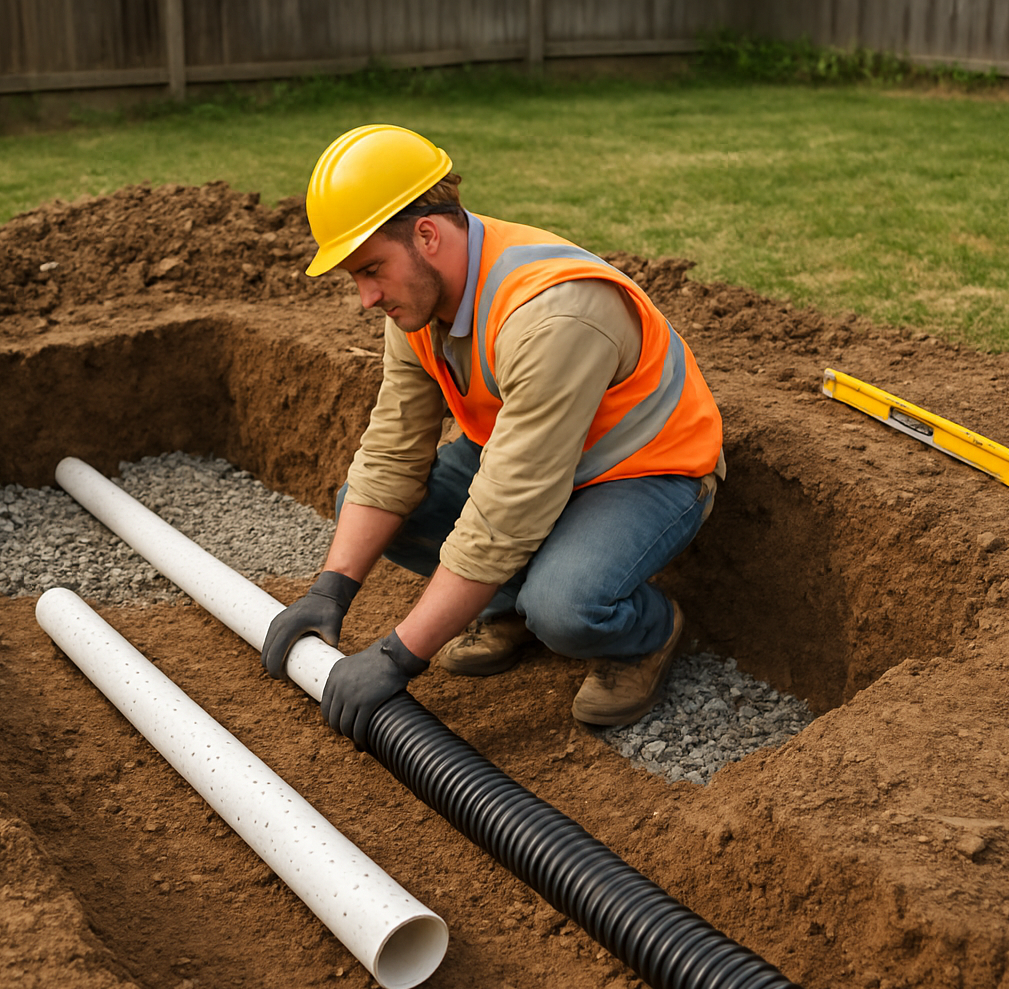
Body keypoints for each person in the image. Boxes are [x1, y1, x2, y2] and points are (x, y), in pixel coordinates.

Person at [261, 123, 724, 750]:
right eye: (354, 277)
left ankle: (648, 632)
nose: (366, 298)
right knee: (366, 507)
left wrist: (399, 657)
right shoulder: (419, 301)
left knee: (563, 606)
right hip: (537, 462)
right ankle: (507, 606)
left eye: (371, 270)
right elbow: (393, 452)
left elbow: (508, 509)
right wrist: (329, 591)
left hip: (643, 470)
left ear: (426, 234)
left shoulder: (554, 314)